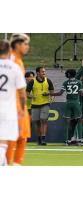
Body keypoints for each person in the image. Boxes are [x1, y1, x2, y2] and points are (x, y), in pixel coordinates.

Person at [6, 33, 31, 165]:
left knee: (21, 137)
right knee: (14, 138)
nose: (28, 47)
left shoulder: (16, 60)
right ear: (17, 45)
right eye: (25, 44)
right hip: (14, 105)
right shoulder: (12, 61)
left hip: (15, 104)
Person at [0, 40, 26, 165]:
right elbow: (21, 92)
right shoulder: (14, 67)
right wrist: (21, 109)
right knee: (4, 139)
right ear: (8, 51)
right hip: (7, 109)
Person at [45, 69, 83, 145]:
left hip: (68, 102)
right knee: (78, 121)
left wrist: (49, 94)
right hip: (76, 103)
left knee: (67, 122)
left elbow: (60, 93)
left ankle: (67, 140)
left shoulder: (66, 83)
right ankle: (79, 140)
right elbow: (82, 93)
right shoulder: (79, 82)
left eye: (66, 73)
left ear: (68, 74)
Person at [26, 66, 54, 145]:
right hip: (35, 104)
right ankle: (39, 140)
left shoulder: (48, 80)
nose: (44, 73)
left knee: (43, 120)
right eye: (42, 72)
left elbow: (52, 91)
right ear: (38, 73)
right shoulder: (32, 82)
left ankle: (43, 139)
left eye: (44, 72)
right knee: (38, 123)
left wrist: (51, 97)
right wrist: (32, 96)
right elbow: (27, 93)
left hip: (45, 103)